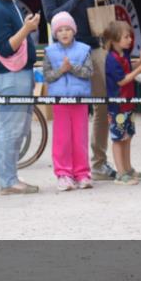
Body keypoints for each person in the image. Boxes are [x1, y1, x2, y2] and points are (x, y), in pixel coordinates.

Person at [40, 0, 116, 181]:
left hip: (93, 47)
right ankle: (68, 169)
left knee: (102, 105)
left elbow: (93, 12)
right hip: (64, 53)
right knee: (68, 113)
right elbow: (53, 17)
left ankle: (98, 163)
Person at [0, 0, 40, 196]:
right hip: (10, 76)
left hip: (17, 75)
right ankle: (7, 181)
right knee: (11, 129)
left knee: (18, 128)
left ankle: (10, 177)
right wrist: (26, 30)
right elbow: (4, 48)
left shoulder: (9, 4)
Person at [42, 12, 93, 191]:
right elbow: (47, 76)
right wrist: (61, 70)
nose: (64, 33)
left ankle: (82, 173)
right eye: (60, 30)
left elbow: (88, 72)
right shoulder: (49, 52)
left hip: (80, 100)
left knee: (80, 138)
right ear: (55, 33)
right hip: (60, 101)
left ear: (74, 31)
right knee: (62, 139)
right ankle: (63, 174)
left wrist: (72, 68)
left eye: (68, 29)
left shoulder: (84, 49)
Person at [104, 21, 141, 185]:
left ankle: (128, 168)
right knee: (118, 139)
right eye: (126, 37)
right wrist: (139, 70)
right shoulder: (110, 59)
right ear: (114, 39)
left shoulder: (123, 54)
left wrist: (140, 63)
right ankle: (120, 173)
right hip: (117, 106)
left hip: (127, 103)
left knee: (127, 136)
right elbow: (122, 81)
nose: (130, 39)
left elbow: (127, 68)